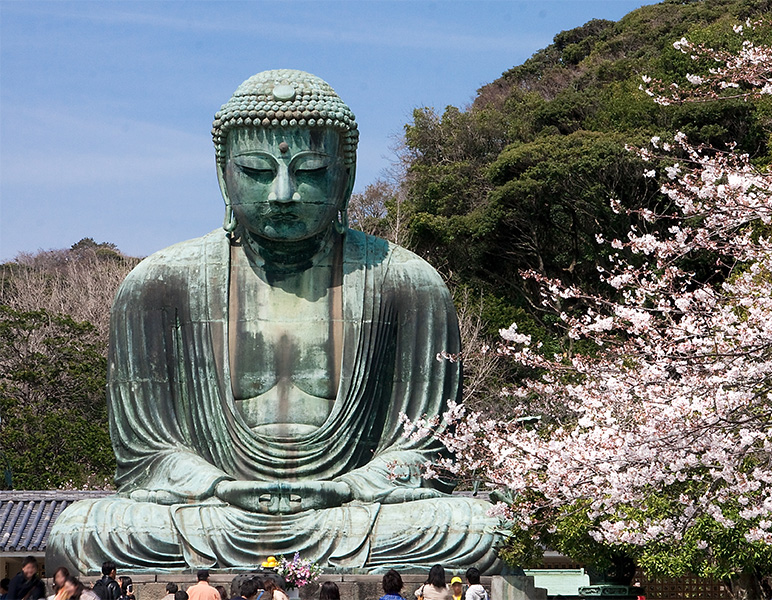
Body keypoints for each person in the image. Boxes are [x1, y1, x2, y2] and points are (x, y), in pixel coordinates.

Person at [46, 69, 503, 575]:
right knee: (85, 530)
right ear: (223, 174)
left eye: (308, 170)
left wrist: (350, 486)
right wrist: (218, 485)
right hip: (215, 509)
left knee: (476, 525)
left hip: (349, 510)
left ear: (345, 175)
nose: (283, 194)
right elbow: (145, 453)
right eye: (258, 172)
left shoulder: (407, 282)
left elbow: (429, 449)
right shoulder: (159, 284)